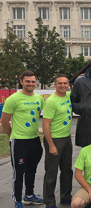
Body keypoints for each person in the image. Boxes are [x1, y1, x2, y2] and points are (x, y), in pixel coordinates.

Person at [1, 71, 44, 208]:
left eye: (33, 81)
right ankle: (17, 200)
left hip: (35, 140)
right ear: (21, 82)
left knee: (32, 169)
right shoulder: (13, 99)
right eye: (28, 81)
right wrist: (12, 136)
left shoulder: (38, 98)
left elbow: (37, 115)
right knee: (18, 173)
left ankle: (29, 196)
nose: (31, 84)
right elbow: (4, 121)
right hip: (19, 141)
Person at [42, 74, 73, 208]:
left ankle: (65, 197)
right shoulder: (51, 101)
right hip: (54, 139)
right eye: (60, 83)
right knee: (51, 173)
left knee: (67, 171)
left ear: (68, 85)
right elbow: (45, 125)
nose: (63, 86)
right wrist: (51, 145)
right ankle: (49, 202)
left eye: (65, 83)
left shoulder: (68, 96)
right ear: (55, 85)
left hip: (67, 139)